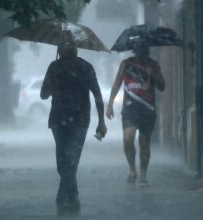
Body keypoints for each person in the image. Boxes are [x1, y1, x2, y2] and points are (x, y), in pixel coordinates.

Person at [40, 40, 107, 215]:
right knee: (68, 161)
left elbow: (43, 95)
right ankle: (71, 193)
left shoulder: (60, 67)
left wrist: (101, 121)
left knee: (66, 160)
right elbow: (44, 94)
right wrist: (101, 121)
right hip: (71, 120)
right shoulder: (74, 68)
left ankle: (66, 196)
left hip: (69, 120)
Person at [106, 44, 165, 187]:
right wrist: (110, 103)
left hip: (147, 108)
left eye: (143, 54)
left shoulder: (153, 65)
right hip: (130, 108)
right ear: (135, 53)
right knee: (128, 139)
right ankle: (132, 169)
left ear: (147, 53)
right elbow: (117, 82)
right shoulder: (126, 64)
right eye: (138, 54)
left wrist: (153, 74)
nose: (141, 57)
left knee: (144, 143)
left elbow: (162, 86)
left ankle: (143, 173)